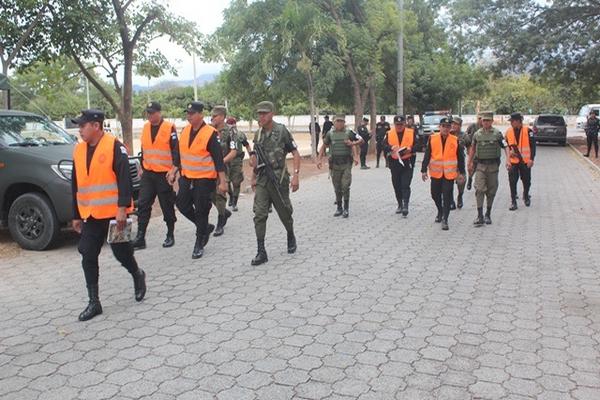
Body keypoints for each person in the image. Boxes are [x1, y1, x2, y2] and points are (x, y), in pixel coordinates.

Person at [71, 109, 146, 321]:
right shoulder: (78, 150)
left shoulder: (115, 146)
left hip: (115, 215)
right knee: (87, 252)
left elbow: (125, 180)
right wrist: (76, 214)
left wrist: (123, 209)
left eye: (82, 125)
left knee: (121, 252)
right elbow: (75, 184)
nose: (80, 129)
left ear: (96, 126)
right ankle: (94, 302)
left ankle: (137, 274)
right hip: (91, 214)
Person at [170, 102, 228, 259]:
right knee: (181, 204)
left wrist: (223, 181)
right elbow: (179, 153)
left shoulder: (211, 133)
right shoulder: (185, 130)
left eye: (192, 113)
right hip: (187, 176)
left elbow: (218, 159)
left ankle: (199, 242)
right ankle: (204, 227)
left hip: (204, 179)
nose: (188, 116)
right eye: (187, 113)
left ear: (200, 114)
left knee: (202, 210)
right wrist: (174, 170)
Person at [250, 101, 300, 266]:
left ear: (272, 114)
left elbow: (295, 153)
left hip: (279, 179)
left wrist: (296, 176)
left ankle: (290, 234)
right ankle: (261, 251)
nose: (261, 116)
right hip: (263, 180)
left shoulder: (282, 131)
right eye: (259, 114)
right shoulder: (257, 135)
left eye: (264, 113)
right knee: (259, 214)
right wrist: (253, 175)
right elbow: (256, 159)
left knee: (285, 211)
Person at [132, 101, 178, 250]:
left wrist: (173, 170)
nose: (150, 116)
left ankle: (170, 234)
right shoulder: (145, 127)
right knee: (143, 203)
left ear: (159, 112)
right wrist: (141, 165)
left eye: (152, 113)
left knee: (166, 205)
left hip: (163, 174)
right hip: (148, 173)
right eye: (148, 113)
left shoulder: (169, 128)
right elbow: (144, 148)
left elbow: (176, 152)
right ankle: (140, 237)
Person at [421, 117, 466, 230]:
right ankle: (440, 211)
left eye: (448, 127)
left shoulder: (455, 140)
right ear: (439, 127)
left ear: (450, 128)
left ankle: (445, 219)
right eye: (443, 126)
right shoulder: (432, 138)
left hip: (449, 174)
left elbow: (460, 158)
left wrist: (462, 172)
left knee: (447, 195)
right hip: (436, 173)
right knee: (434, 194)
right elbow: (427, 155)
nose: (446, 128)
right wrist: (423, 170)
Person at [468, 112, 510, 226]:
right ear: (481, 121)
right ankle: (479, 215)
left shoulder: (497, 134)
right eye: (483, 121)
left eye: (488, 121)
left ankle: (488, 214)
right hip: (480, 166)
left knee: (491, 191)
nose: (485, 122)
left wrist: (508, 160)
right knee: (479, 189)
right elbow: (472, 149)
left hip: (493, 167)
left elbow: (506, 146)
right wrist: (469, 162)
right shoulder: (477, 134)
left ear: (492, 121)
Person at [317, 115, 360, 217]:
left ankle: (346, 209)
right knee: (337, 187)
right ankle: (339, 208)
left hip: (346, 163)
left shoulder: (349, 132)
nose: (339, 123)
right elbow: (324, 146)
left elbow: (355, 142)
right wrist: (319, 159)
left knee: (345, 186)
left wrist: (356, 156)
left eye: (341, 121)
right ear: (334, 122)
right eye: (337, 121)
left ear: (344, 122)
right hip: (334, 164)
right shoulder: (330, 134)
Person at [209, 106, 237, 236]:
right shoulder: (208, 130)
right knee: (209, 194)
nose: (212, 118)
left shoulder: (231, 131)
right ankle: (224, 212)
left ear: (222, 116)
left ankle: (221, 221)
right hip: (207, 168)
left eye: (215, 116)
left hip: (224, 167)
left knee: (220, 194)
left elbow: (233, 151)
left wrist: (221, 162)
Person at [383, 115, 416, 216]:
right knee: (397, 185)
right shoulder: (389, 133)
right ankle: (400, 204)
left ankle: (405, 205)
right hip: (395, 162)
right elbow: (383, 145)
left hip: (407, 161)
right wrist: (391, 147)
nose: (399, 126)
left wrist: (411, 149)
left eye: (401, 124)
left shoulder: (411, 132)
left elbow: (419, 145)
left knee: (405, 184)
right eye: (397, 124)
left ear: (404, 124)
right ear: (394, 124)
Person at [505, 112, 536, 210]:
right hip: (513, 161)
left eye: (512, 121)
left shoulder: (528, 131)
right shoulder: (508, 132)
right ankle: (513, 201)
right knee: (512, 181)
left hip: (525, 161)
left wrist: (531, 159)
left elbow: (533, 146)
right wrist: (509, 153)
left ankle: (526, 195)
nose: (511, 123)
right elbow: (505, 145)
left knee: (527, 181)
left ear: (518, 121)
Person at [226, 117, 251, 211]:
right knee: (226, 181)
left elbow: (247, 145)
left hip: (237, 161)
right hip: (226, 161)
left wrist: (251, 155)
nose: (231, 127)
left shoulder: (240, 135)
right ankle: (231, 195)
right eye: (229, 125)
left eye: (233, 125)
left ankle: (234, 203)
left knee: (236, 182)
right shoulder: (224, 135)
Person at [449, 116, 466, 209]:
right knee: (449, 183)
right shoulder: (447, 134)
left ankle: (460, 196)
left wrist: (471, 161)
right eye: (452, 124)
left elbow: (470, 145)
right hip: (449, 163)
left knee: (461, 183)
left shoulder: (463, 135)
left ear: (460, 126)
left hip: (460, 163)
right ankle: (451, 200)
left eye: (456, 124)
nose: (453, 126)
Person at [465, 114, 482, 190]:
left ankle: (477, 182)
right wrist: (468, 147)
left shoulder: (485, 127)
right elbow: (466, 135)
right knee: (472, 167)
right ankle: (470, 179)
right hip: (472, 149)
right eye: (479, 118)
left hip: (481, 150)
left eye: (482, 119)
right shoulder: (472, 126)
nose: (481, 120)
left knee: (479, 168)